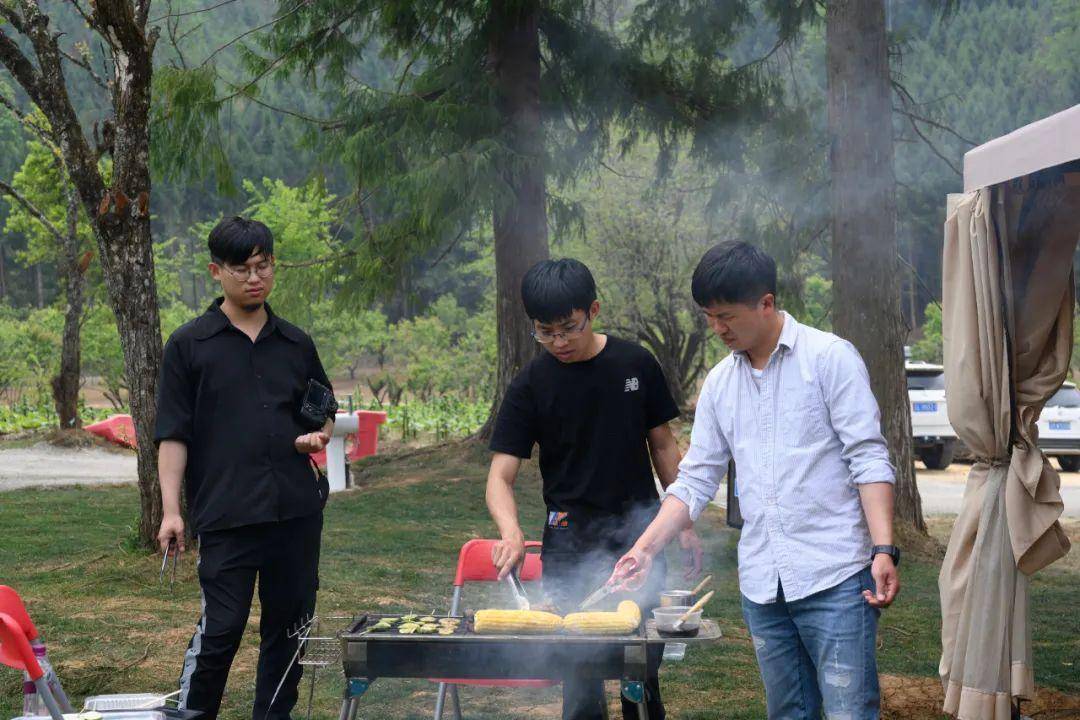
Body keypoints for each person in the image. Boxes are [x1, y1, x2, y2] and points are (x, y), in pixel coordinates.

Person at [611, 241, 901, 720]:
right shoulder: (721, 382)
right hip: (764, 584)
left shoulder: (830, 359)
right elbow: (694, 480)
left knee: (849, 711)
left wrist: (884, 548)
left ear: (766, 303)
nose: (717, 328)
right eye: (709, 316)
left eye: (726, 315)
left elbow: (868, 457)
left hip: (835, 574)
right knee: (787, 712)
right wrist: (644, 549)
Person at [486, 258, 703, 720]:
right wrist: (509, 532)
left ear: (594, 310)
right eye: (545, 332)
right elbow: (499, 478)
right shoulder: (531, 385)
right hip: (568, 545)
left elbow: (663, 447)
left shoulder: (635, 364)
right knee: (580, 687)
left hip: (639, 541)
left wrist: (682, 521)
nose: (558, 342)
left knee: (638, 678)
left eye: (569, 328)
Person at [154, 217, 334, 720]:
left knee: (290, 629)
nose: (255, 278)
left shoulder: (296, 344)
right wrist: (172, 511)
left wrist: (318, 434)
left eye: (264, 266)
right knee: (222, 630)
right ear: (217, 271)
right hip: (227, 512)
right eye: (242, 268)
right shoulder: (189, 346)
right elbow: (172, 434)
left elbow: (322, 409)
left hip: (296, 513)